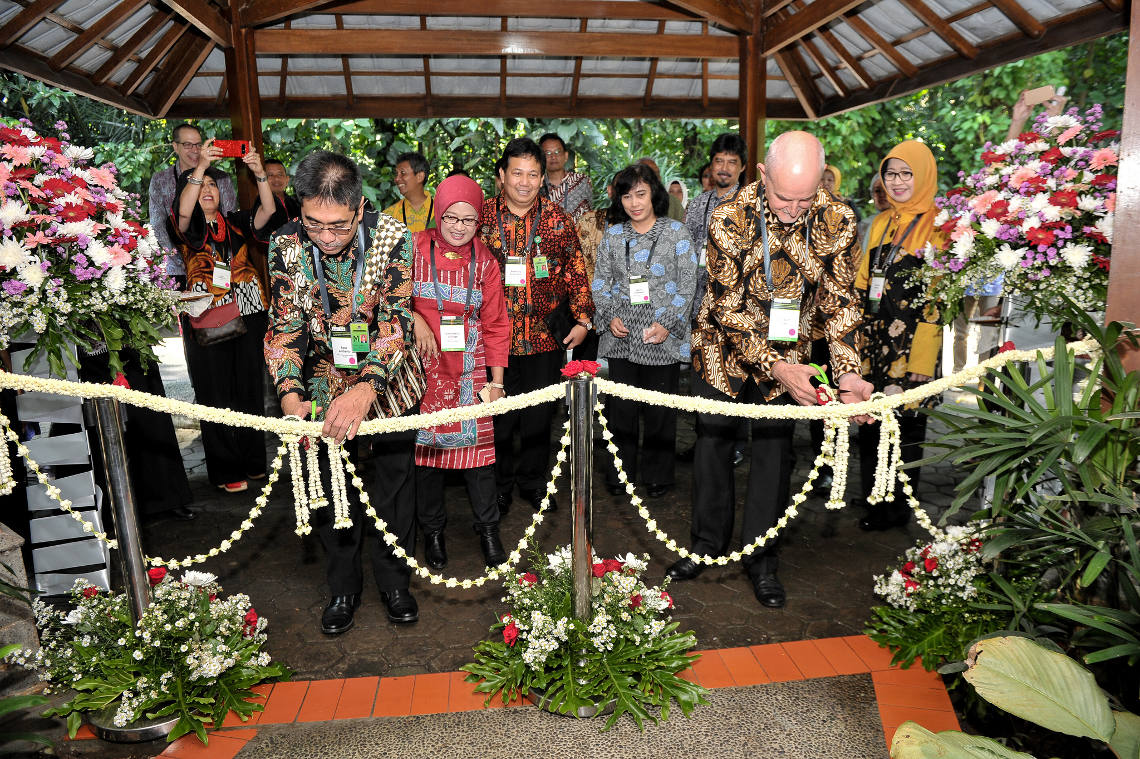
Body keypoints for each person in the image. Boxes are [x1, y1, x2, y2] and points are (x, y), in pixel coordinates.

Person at [667, 131, 873, 610]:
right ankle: (706, 546)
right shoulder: (729, 216)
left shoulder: (838, 219)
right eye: (783, 198)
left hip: (792, 351)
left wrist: (847, 373)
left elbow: (841, 302)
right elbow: (727, 309)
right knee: (713, 447)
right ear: (762, 174)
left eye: (805, 198)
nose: (794, 210)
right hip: (722, 349)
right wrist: (777, 368)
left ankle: (761, 559)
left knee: (774, 456)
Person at [265, 150, 426, 633]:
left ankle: (395, 583)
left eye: (338, 226)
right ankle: (342, 588)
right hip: (320, 378)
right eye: (313, 224)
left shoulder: (393, 238)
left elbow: (396, 322)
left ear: (359, 210)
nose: (326, 237)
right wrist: (290, 395)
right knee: (331, 486)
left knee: (394, 486)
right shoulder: (285, 243)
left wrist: (366, 387)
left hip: (389, 381)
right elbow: (285, 325)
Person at [479, 137, 594, 514]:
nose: (524, 182)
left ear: (542, 178)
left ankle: (532, 482)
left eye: (532, 174)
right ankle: (499, 486)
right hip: (492, 341)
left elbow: (576, 270)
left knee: (538, 418)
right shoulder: (480, 217)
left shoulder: (558, 220)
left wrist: (583, 319)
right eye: (517, 173)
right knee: (498, 418)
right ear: (501, 175)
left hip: (544, 338)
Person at [172, 139, 284, 494]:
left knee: (249, 391)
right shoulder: (186, 226)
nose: (208, 189)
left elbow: (268, 212)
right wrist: (201, 166)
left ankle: (253, 462)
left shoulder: (234, 222)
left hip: (248, 311)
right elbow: (184, 214)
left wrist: (259, 173)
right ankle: (225, 470)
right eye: (201, 184)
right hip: (207, 315)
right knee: (214, 394)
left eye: (213, 185)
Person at [411, 175, 509, 570]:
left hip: (470, 368)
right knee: (426, 455)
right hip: (421, 370)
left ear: (479, 221)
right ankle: (432, 532)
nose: (459, 227)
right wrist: (415, 318)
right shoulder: (413, 248)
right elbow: (385, 298)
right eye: (451, 217)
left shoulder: (485, 261)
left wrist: (497, 383)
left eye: (469, 220)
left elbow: (497, 324)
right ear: (438, 213)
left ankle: (489, 530)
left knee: (479, 457)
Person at [854, 140, 947, 531]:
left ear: (922, 175)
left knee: (905, 428)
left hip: (911, 346)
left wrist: (923, 358)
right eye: (890, 174)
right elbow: (863, 282)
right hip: (875, 340)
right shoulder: (881, 222)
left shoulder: (940, 225)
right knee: (870, 422)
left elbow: (941, 298)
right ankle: (874, 499)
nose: (897, 182)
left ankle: (897, 508)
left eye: (906, 173)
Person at [593, 164, 696, 499]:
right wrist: (609, 316)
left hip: (660, 335)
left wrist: (667, 323)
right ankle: (620, 474)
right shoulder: (613, 235)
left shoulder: (677, 233)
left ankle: (657, 476)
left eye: (641, 194)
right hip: (622, 335)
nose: (634, 203)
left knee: (660, 411)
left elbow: (688, 284)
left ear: (654, 194)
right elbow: (600, 282)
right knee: (621, 410)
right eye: (627, 196)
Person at [150, 124, 236, 281]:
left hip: (217, 265)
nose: (195, 150)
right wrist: (181, 258)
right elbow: (158, 225)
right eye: (188, 145)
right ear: (175, 147)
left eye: (198, 144)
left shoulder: (221, 178)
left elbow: (230, 220)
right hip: (177, 267)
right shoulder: (161, 180)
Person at [538, 133, 593, 222]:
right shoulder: (536, 185)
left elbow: (590, 214)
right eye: (547, 153)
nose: (553, 157)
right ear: (540, 159)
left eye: (557, 152)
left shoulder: (582, 181)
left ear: (566, 156)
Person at [384, 151, 434, 232]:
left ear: (420, 177)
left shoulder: (442, 212)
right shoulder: (389, 216)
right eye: (396, 174)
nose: (396, 179)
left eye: (403, 173)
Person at [637, 158, 685, 222]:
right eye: (650, 173)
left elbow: (684, 226)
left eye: (657, 173)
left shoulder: (672, 201)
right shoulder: (628, 201)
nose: (656, 177)